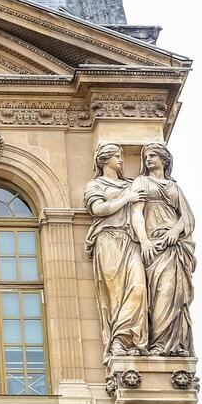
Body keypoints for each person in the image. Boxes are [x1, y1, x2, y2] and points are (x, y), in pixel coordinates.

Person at [83, 143, 148, 360]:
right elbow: (97, 209)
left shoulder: (131, 183)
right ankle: (118, 342)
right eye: (116, 156)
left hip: (131, 240)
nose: (121, 160)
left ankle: (129, 337)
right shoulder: (95, 185)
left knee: (138, 288)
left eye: (121, 155)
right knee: (116, 293)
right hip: (108, 238)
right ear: (104, 159)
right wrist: (126, 199)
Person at [133, 142, 196, 356]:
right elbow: (136, 214)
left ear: (164, 159)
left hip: (174, 245)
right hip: (153, 245)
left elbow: (187, 217)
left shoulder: (173, 187)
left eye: (153, 156)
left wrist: (175, 232)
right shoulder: (141, 181)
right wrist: (144, 241)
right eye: (146, 157)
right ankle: (158, 343)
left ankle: (172, 344)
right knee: (159, 293)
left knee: (174, 294)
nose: (148, 159)